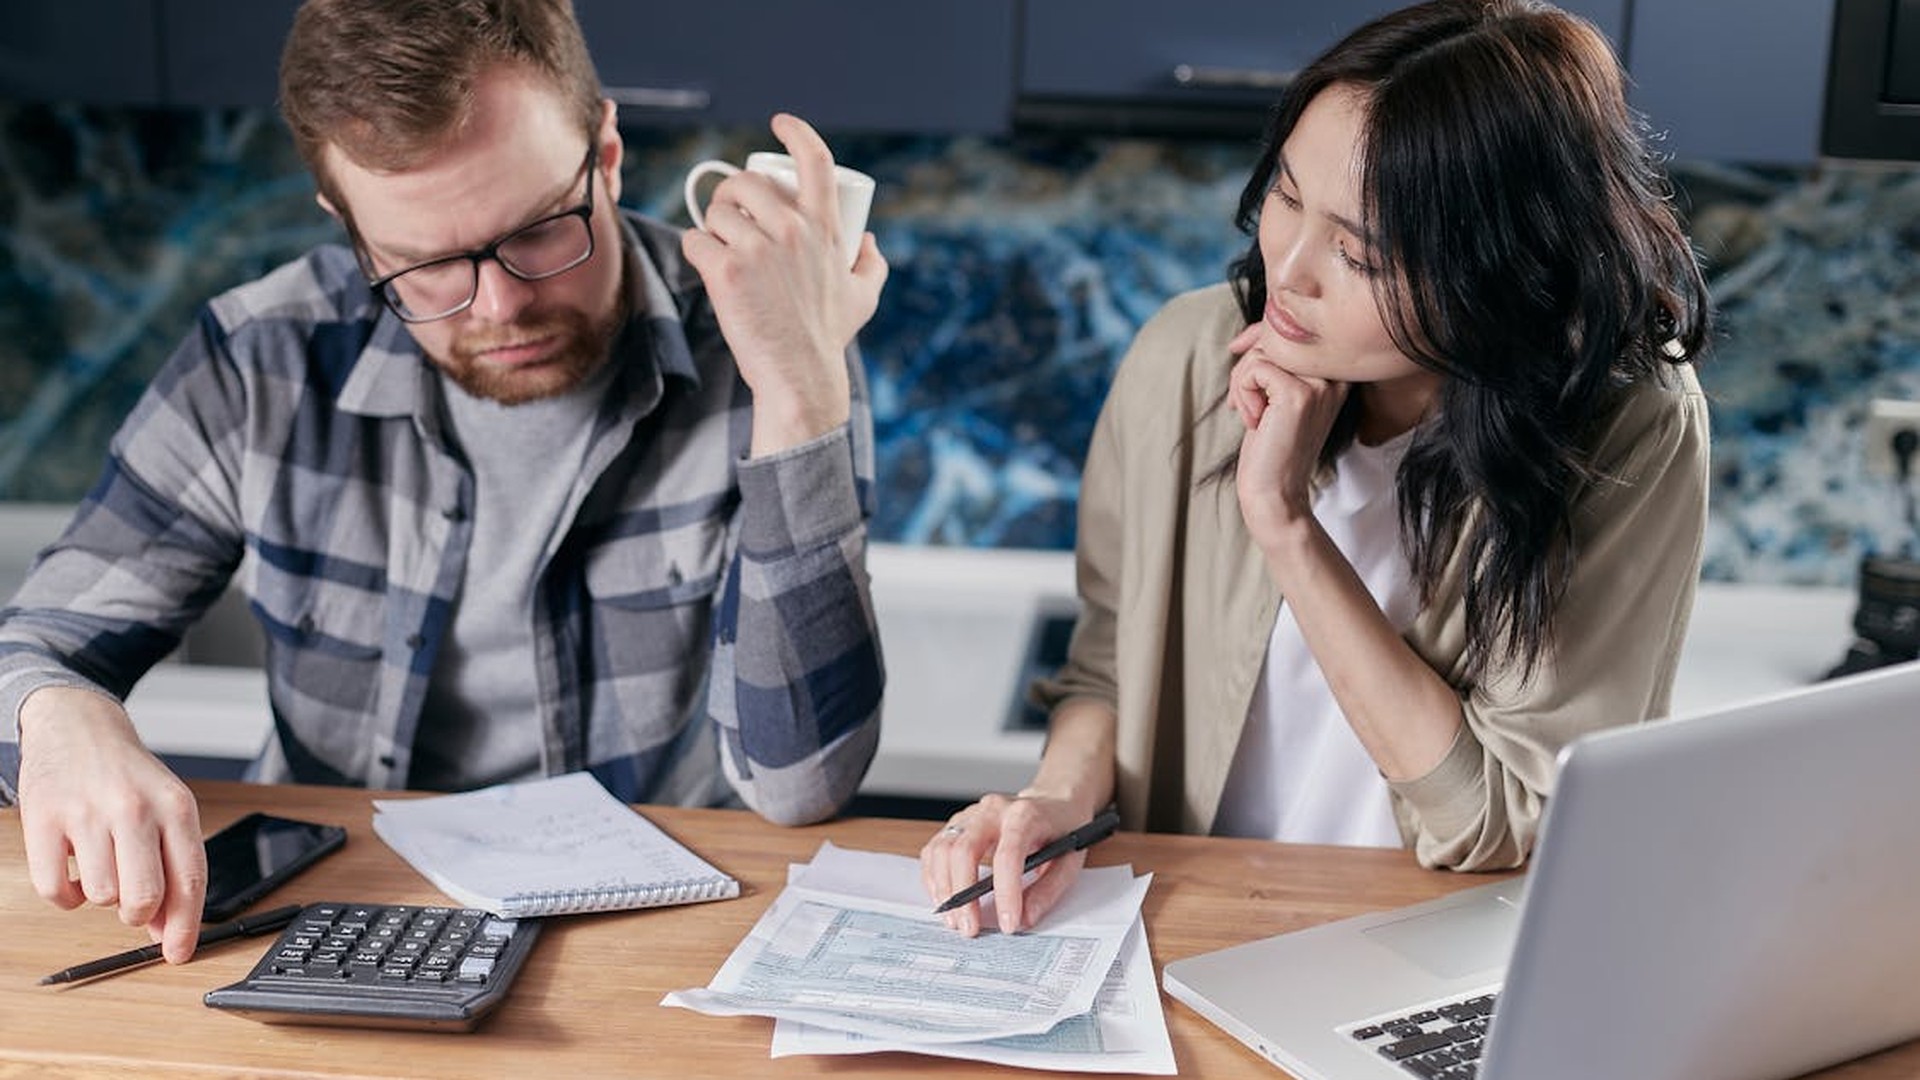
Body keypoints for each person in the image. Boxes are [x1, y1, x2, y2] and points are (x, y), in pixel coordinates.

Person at [0, 0, 887, 962]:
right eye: (422, 267)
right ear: (345, 224)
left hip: (650, 939)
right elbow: (36, 645)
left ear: (608, 151)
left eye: (543, 229)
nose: (502, 306)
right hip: (334, 918)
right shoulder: (262, 357)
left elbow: (801, 784)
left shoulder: (769, 342)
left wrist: (799, 391)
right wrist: (57, 718)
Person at [922, 0, 1712, 937]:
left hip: (1431, 954)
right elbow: (1109, 665)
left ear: (1494, 269)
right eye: (1287, 196)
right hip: (1192, 928)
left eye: (1358, 251)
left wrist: (1284, 521)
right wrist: (1054, 802)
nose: (1288, 270)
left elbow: (1497, 819)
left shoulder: (1627, 428)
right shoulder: (1187, 356)